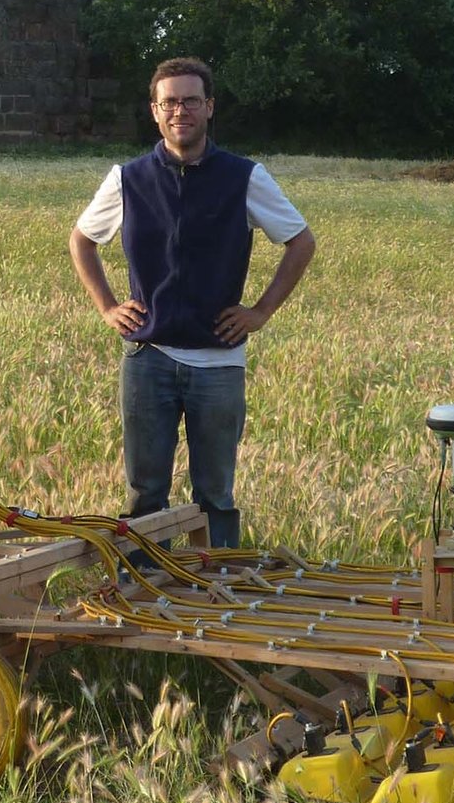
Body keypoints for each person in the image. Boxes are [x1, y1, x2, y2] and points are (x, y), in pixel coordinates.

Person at [68, 57, 315, 550]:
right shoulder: (128, 179)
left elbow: (300, 242)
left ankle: (215, 586)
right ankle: (147, 586)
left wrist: (260, 312)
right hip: (148, 359)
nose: (180, 110)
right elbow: (82, 240)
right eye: (170, 102)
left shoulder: (245, 177)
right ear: (155, 112)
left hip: (219, 363)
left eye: (191, 100)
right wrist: (108, 307)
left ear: (209, 108)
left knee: (215, 496)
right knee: (144, 494)